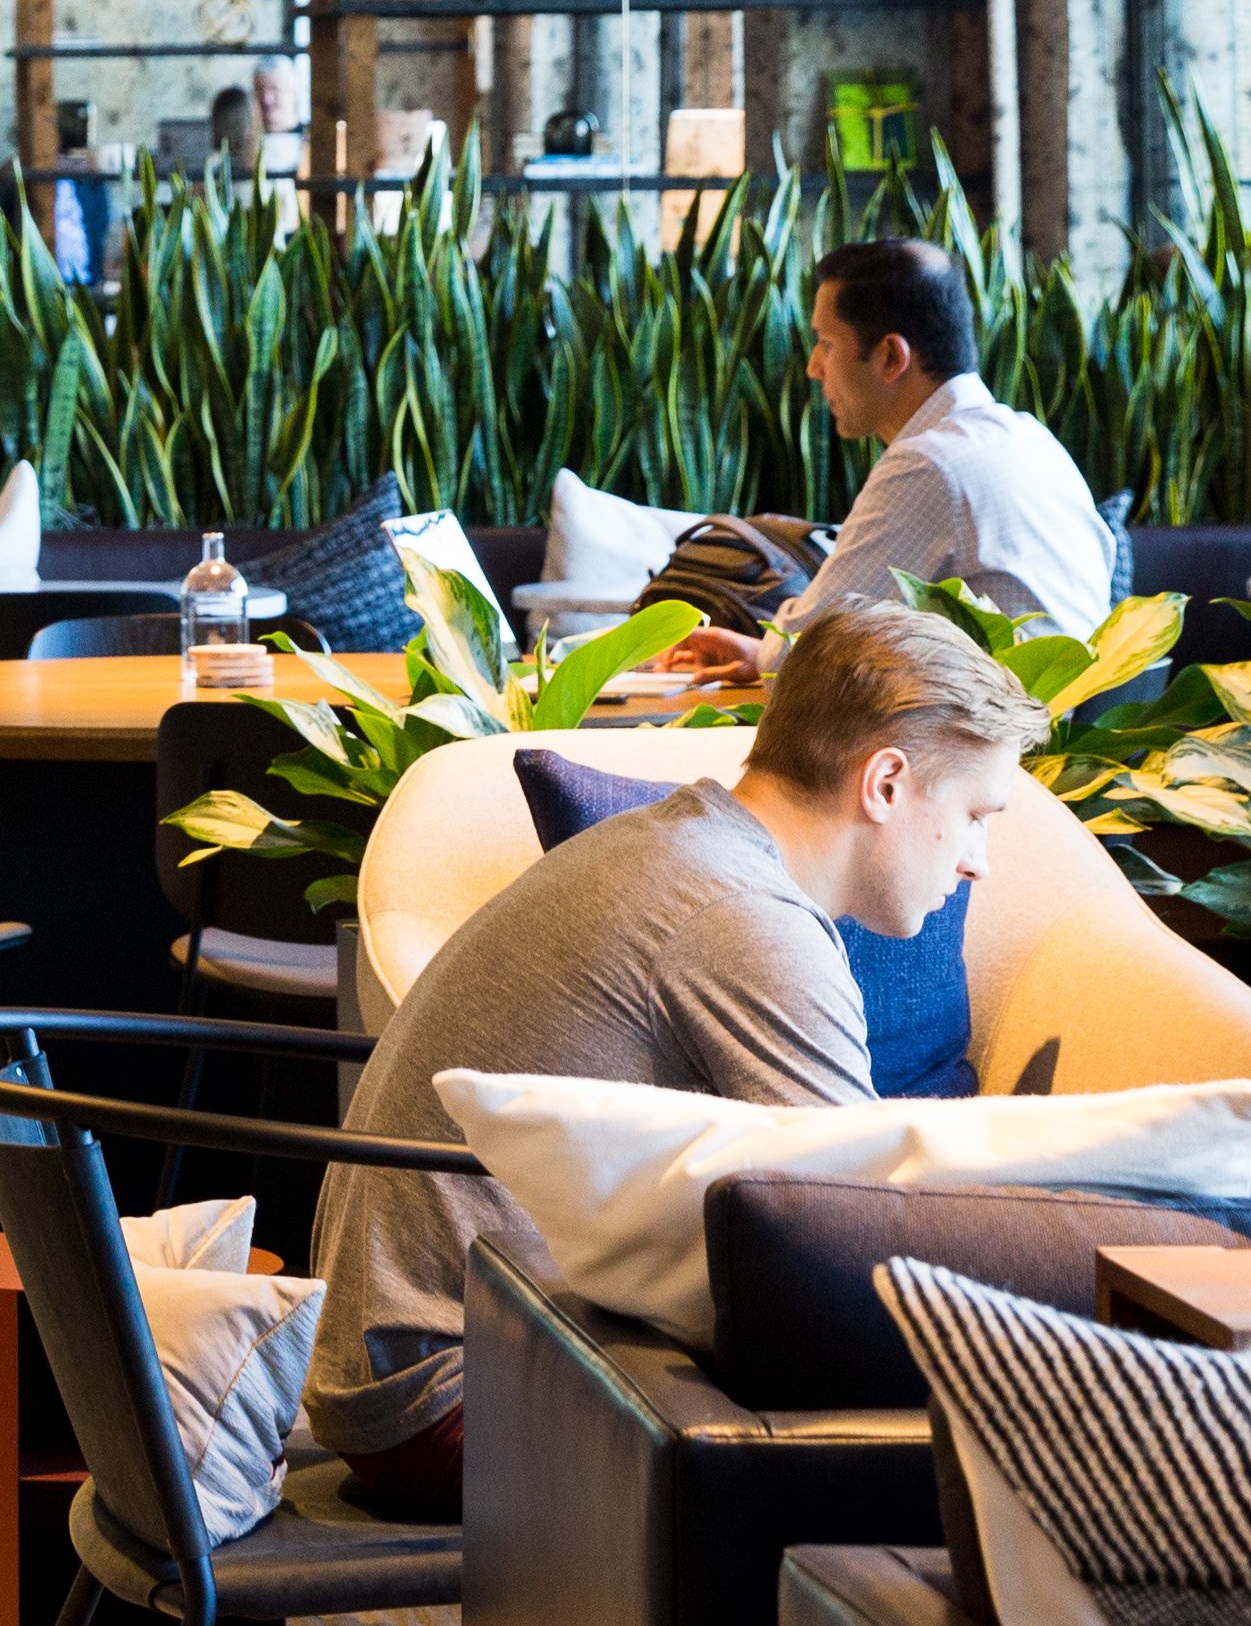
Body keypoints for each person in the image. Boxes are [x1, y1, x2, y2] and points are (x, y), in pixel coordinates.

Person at [302, 606, 1051, 1511]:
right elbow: (853, 1236)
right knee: (955, 1425)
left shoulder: (679, 845)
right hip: (455, 1401)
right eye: (975, 814)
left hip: (403, 1366)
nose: (979, 862)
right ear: (886, 782)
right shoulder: (747, 919)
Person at [663, 238, 1111, 682]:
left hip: (1005, 742)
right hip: (1057, 728)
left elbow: (817, 637)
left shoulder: (930, 464)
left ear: (891, 357)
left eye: (826, 343)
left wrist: (775, 653)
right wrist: (764, 654)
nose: (813, 367)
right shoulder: (1028, 438)